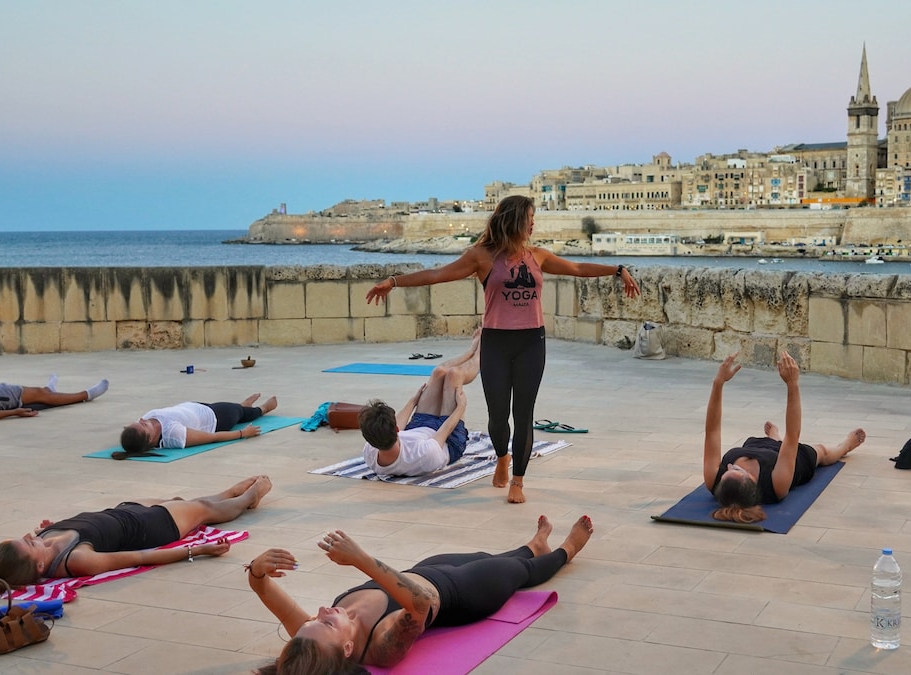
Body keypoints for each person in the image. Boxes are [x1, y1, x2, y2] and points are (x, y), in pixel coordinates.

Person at [365, 195, 641, 504]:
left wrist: (617, 270)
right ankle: (501, 457)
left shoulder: (538, 256)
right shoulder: (481, 256)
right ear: (515, 220)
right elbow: (436, 275)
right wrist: (393, 281)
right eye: (530, 218)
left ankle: (518, 481)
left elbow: (576, 267)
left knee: (523, 416)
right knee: (498, 417)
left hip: (531, 343)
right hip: (495, 343)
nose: (534, 224)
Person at [247, 514, 593, 674]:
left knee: (492, 558)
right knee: (521, 574)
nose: (320, 611)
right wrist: (361, 560)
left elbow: (262, 587)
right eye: (325, 622)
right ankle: (567, 549)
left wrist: (258, 569)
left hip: (424, 570)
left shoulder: (315, 641)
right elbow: (421, 604)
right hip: (464, 593)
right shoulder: (381, 647)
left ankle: (534, 545)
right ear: (348, 648)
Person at [0, 475, 272, 587]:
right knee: (204, 510)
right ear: (38, 564)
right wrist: (199, 550)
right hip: (151, 527)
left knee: (187, 502)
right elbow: (138, 557)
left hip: (123, 511)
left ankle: (227, 492)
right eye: (29, 545)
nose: (28, 538)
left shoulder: (39, 544)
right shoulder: (76, 561)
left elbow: (4, 568)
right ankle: (250, 496)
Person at [703, 351, 865, 523]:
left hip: (757, 446)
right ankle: (845, 446)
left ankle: (774, 438)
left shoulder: (714, 478)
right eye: (734, 470)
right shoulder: (775, 485)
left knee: (774, 443)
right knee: (822, 452)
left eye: (726, 471)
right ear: (751, 479)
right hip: (792, 462)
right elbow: (793, 436)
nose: (728, 466)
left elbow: (712, 431)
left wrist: (718, 383)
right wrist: (792, 384)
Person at [358, 332, 480, 477]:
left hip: (419, 427)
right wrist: (461, 407)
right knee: (455, 375)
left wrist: (414, 400)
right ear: (396, 429)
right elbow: (446, 429)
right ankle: (480, 352)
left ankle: (470, 351)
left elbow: (400, 426)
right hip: (448, 441)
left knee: (439, 372)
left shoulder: (370, 452)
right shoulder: (424, 456)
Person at [120, 393, 278, 457]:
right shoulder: (173, 434)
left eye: (139, 422)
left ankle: (243, 406)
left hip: (198, 407)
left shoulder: (142, 426)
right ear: (150, 439)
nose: (142, 419)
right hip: (215, 418)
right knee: (238, 412)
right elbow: (212, 437)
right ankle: (262, 409)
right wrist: (243, 433)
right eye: (144, 425)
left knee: (236, 408)